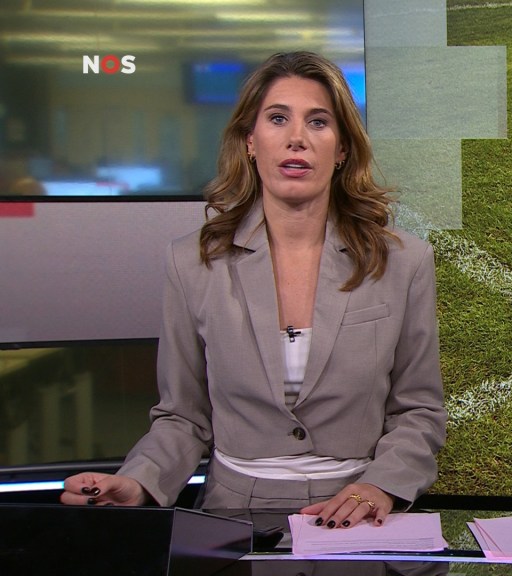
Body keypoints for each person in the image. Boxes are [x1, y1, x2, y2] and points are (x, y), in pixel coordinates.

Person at [60, 51, 447, 530]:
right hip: (232, 513)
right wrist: (138, 481)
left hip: (357, 512)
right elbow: (183, 416)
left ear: (342, 149)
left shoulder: (403, 261)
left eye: (318, 122)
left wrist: (379, 486)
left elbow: (418, 410)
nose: (297, 138)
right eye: (278, 118)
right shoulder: (192, 262)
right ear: (250, 140)